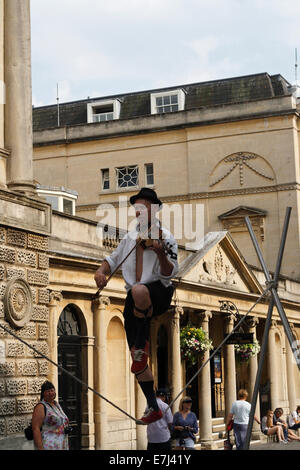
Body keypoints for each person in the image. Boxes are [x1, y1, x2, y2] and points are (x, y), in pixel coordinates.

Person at [94, 188, 178, 425]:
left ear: (154, 209)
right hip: (135, 298)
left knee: (140, 289)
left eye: (144, 208)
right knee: (138, 362)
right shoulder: (130, 238)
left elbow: (171, 271)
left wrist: (160, 254)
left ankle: (142, 344)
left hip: (159, 292)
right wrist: (101, 271)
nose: (140, 212)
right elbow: (112, 260)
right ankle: (152, 404)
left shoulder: (165, 236)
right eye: (137, 208)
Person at [32, 380, 70, 450]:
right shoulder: (41, 406)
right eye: (48, 391)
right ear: (43, 393)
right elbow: (35, 428)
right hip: (48, 445)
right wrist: (40, 448)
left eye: (52, 390)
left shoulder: (57, 405)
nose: (51, 393)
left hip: (61, 444)